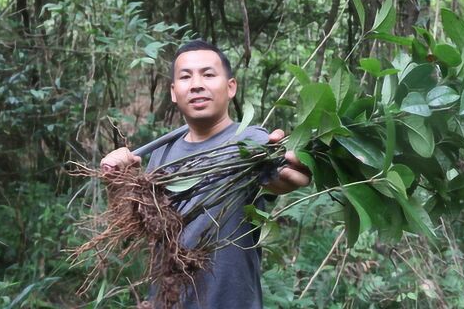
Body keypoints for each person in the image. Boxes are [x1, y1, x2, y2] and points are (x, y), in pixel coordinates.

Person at [100, 40, 310, 308]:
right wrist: (118, 183)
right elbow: (142, 230)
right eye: (186, 77)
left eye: (208, 74)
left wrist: (286, 174)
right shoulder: (161, 154)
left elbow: (276, 179)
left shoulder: (251, 141)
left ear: (230, 87)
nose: (197, 84)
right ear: (174, 92)